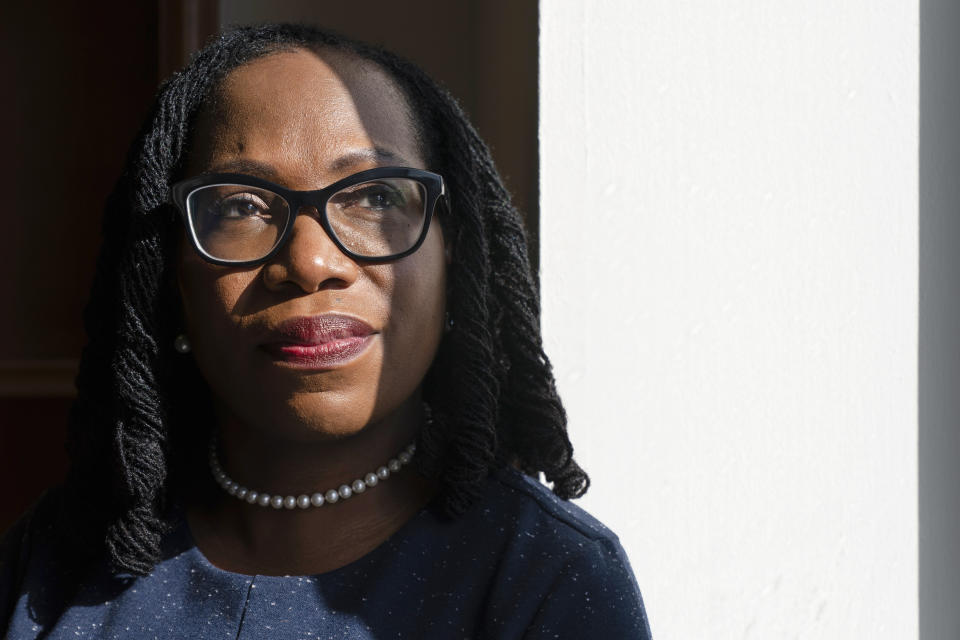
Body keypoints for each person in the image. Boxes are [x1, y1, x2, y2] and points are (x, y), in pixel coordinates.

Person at [0, 23, 652, 639]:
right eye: (242, 205)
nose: (311, 263)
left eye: (375, 197)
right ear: (171, 274)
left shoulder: (545, 578)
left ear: (456, 252)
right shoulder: (52, 560)